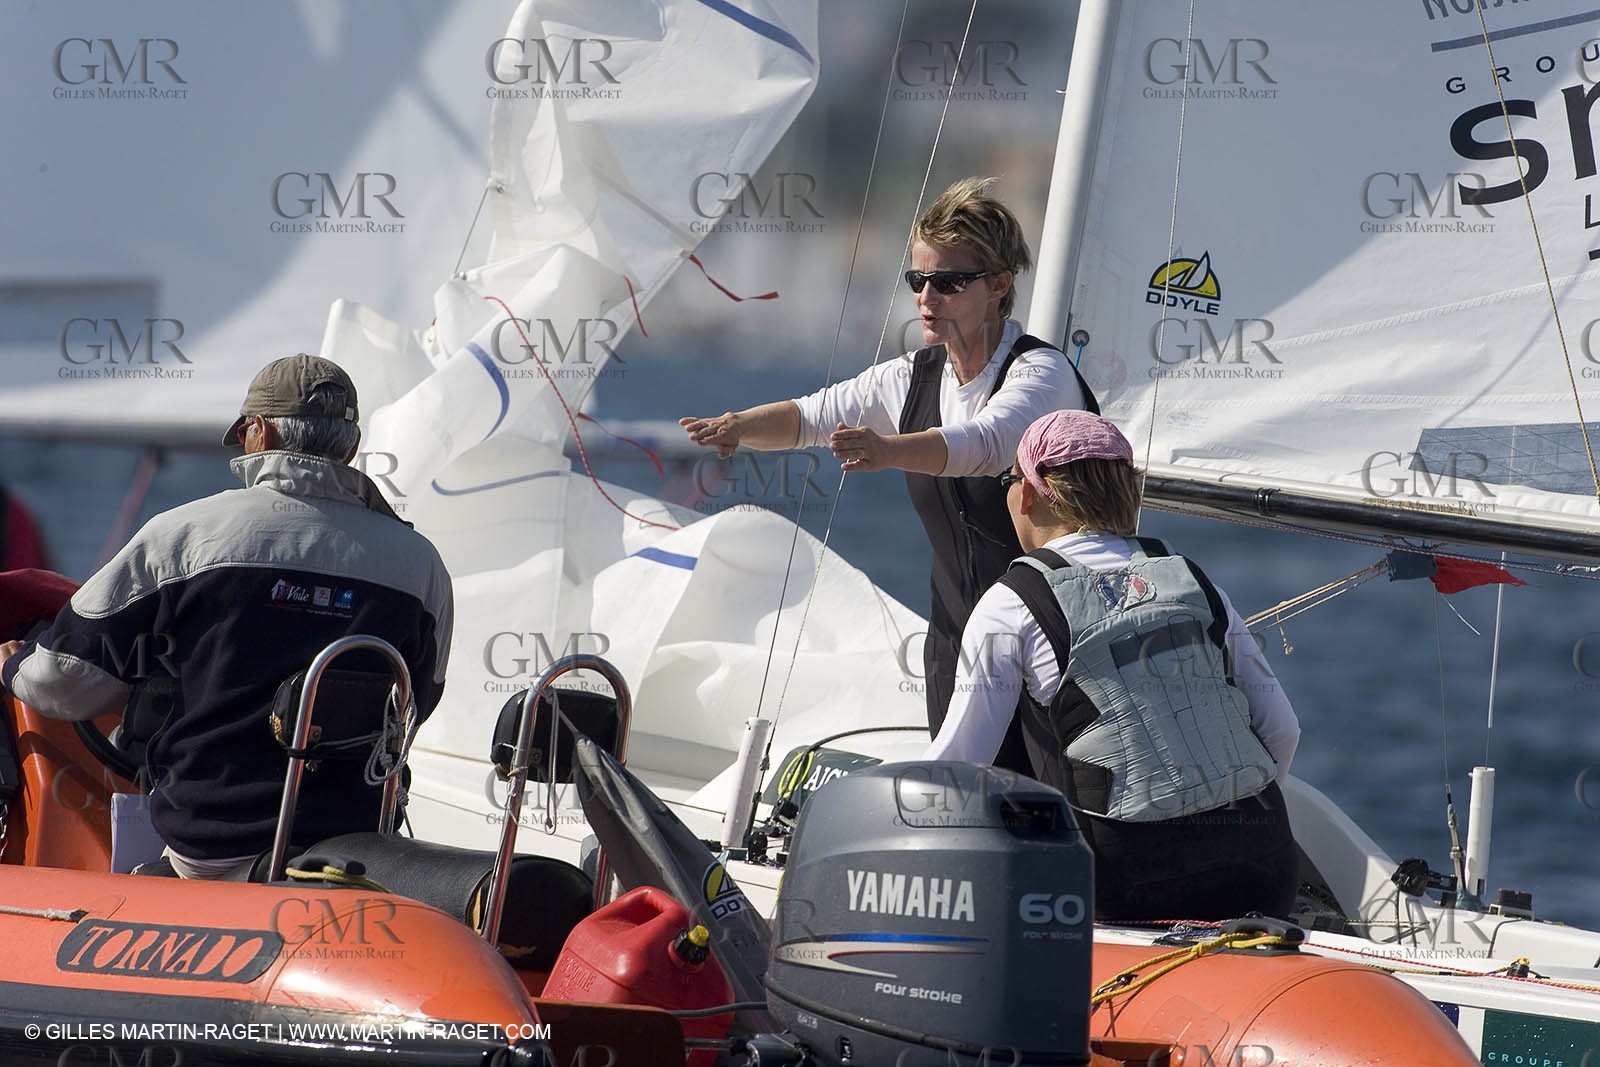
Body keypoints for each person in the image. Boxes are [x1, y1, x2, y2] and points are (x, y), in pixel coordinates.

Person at [680, 177, 1096, 763]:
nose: (928, 298)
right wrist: (738, 426)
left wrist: (889, 450)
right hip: (958, 643)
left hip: (1056, 642)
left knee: (1048, 818)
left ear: (1000, 285)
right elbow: (811, 416)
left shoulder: (1041, 374)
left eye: (949, 282)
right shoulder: (912, 377)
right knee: (966, 817)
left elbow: (989, 442)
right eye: (917, 280)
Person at [0, 354, 454, 879]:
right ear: (351, 447)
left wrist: (14, 667)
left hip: (211, 848)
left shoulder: (185, 535)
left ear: (256, 431)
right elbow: (418, 701)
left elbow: (65, 680)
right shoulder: (421, 566)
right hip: (356, 847)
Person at [925, 409, 1301, 921]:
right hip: (1262, 866)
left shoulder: (1012, 603)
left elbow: (959, 770)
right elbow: (1282, 730)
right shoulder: (1194, 580)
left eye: (1009, 479)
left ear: (1031, 493)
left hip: (1126, 881)